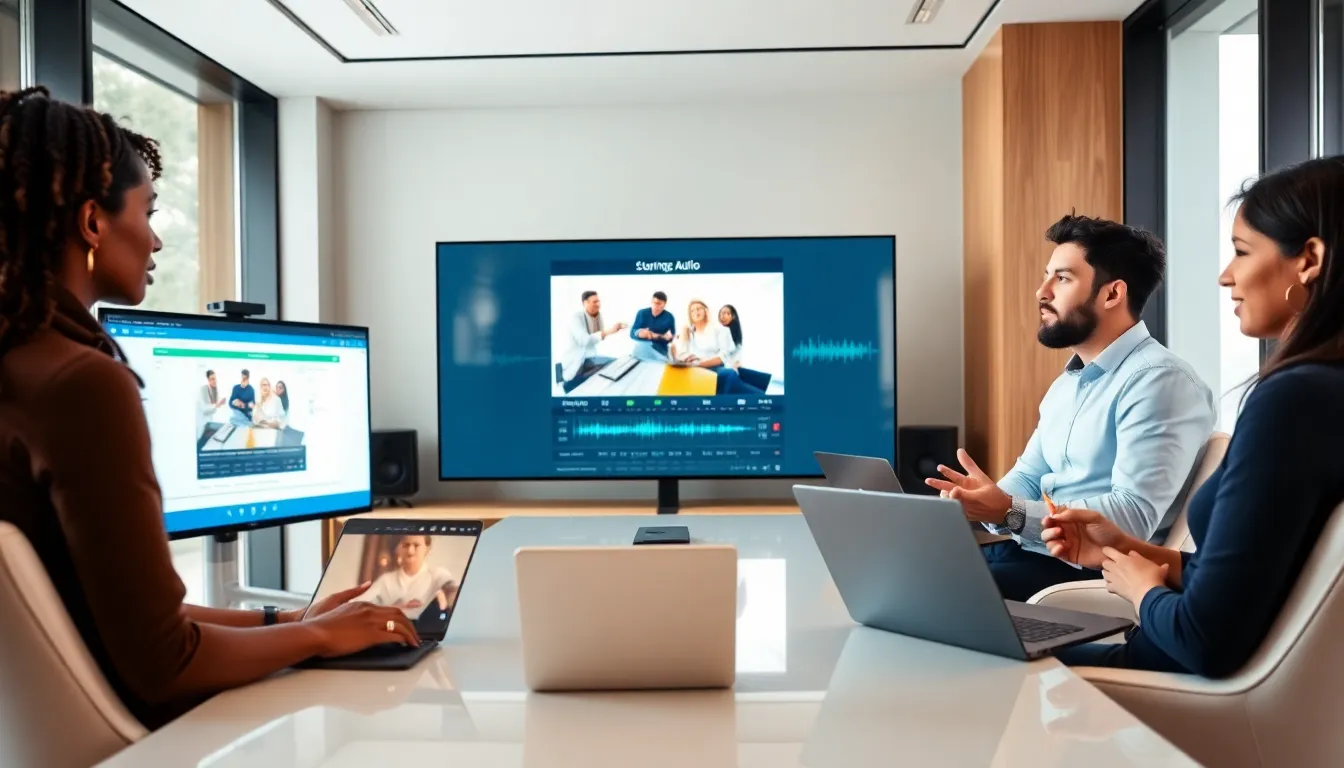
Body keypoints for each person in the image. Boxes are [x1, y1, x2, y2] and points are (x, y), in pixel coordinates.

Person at [0, 86, 417, 731]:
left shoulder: (20, 363)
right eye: (147, 212)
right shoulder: (81, 384)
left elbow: (128, 619)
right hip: (153, 738)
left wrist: (294, 619)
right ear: (92, 223)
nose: (156, 241)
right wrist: (320, 637)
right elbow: (167, 661)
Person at [1043, 157, 1344, 676]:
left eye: (1242, 251)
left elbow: (1205, 640)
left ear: (1309, 260)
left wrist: (1142, 590)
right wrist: (1126, 551)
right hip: (1169, 664)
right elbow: (1244, 581)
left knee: (967, 652)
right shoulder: (1318, 392)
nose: (1226, 276)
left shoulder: (1294, 402)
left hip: (1167, 684)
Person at [927, 215, 1216, 602]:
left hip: (1092, 573)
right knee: (908, 570)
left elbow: (1133, 517)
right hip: (1032, 554)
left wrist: (1010, 512)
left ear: (1112, 294)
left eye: (1062, 278)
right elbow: (1029, 476)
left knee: (931, 592)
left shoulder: (1160, 381)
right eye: (1047, 276)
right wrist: (983, 499)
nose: (1041, 292)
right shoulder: (1067, 384)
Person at [675, 299, 763, 394]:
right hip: (694, 371)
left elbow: (722, 358)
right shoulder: (687, 332)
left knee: (730, 377)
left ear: (706, 311)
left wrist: (698, 364)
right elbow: (680, 354)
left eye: (698, 309)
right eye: (692, 310)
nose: (695, 312)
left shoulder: (720, 329)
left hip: (714, 369)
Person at [358, 535, 459, 618]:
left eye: (416, 545)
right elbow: (358, 606)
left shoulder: (438, 575)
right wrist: (397, 608)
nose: (410, 551)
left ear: (427, 549)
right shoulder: (385, 581)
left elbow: (454, 594)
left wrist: (445, 601)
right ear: (399, 549)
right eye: (406, 545)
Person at [559, 290, 626, 392]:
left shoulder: (598, 316)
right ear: (585, 303)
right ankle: (569, 385)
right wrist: (610, 331)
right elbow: (585, 340)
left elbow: (597, 339)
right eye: (595, 302)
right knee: (607, 368)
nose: (598, 304)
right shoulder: (576, 318)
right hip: (575, 361)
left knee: (614, 362)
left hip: (588, 357)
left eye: (598, 301)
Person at [717, 304, 773, 391]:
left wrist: (736, 364)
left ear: (733, 316)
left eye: (726, 313)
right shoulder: (717, 332)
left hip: (731, 368)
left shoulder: (735, 334)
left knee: (758, 381)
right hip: (723, 369)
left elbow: (736, 355)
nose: (722, 316)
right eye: (720, 314)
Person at [629, 291, 676, 362]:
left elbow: (672, 338)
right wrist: (639, 333)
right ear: (651, 301)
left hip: (659, 351)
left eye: (659, 304)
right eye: (654, 303)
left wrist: (667, 338)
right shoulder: (642, 313)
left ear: (664, 304)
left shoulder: (669, 317)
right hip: (641, 348)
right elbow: (632, 333)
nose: (656, 306)